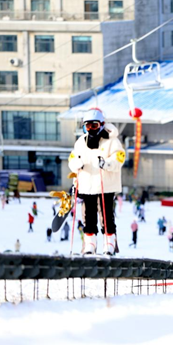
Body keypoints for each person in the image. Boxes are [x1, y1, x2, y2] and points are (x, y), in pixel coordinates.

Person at [67, 107, 125, 255]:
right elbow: (72, 158)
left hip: (105, 184)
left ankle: (109, 243)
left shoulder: (112, 141)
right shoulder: (81, 142)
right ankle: (89, 244)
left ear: (102, 124)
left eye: (94, 125)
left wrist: (107, 163)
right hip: (87, 184)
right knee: (89, 216)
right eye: (88, 126)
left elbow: (119, 157)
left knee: (106, 215)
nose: (91, 129)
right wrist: (76, 166)